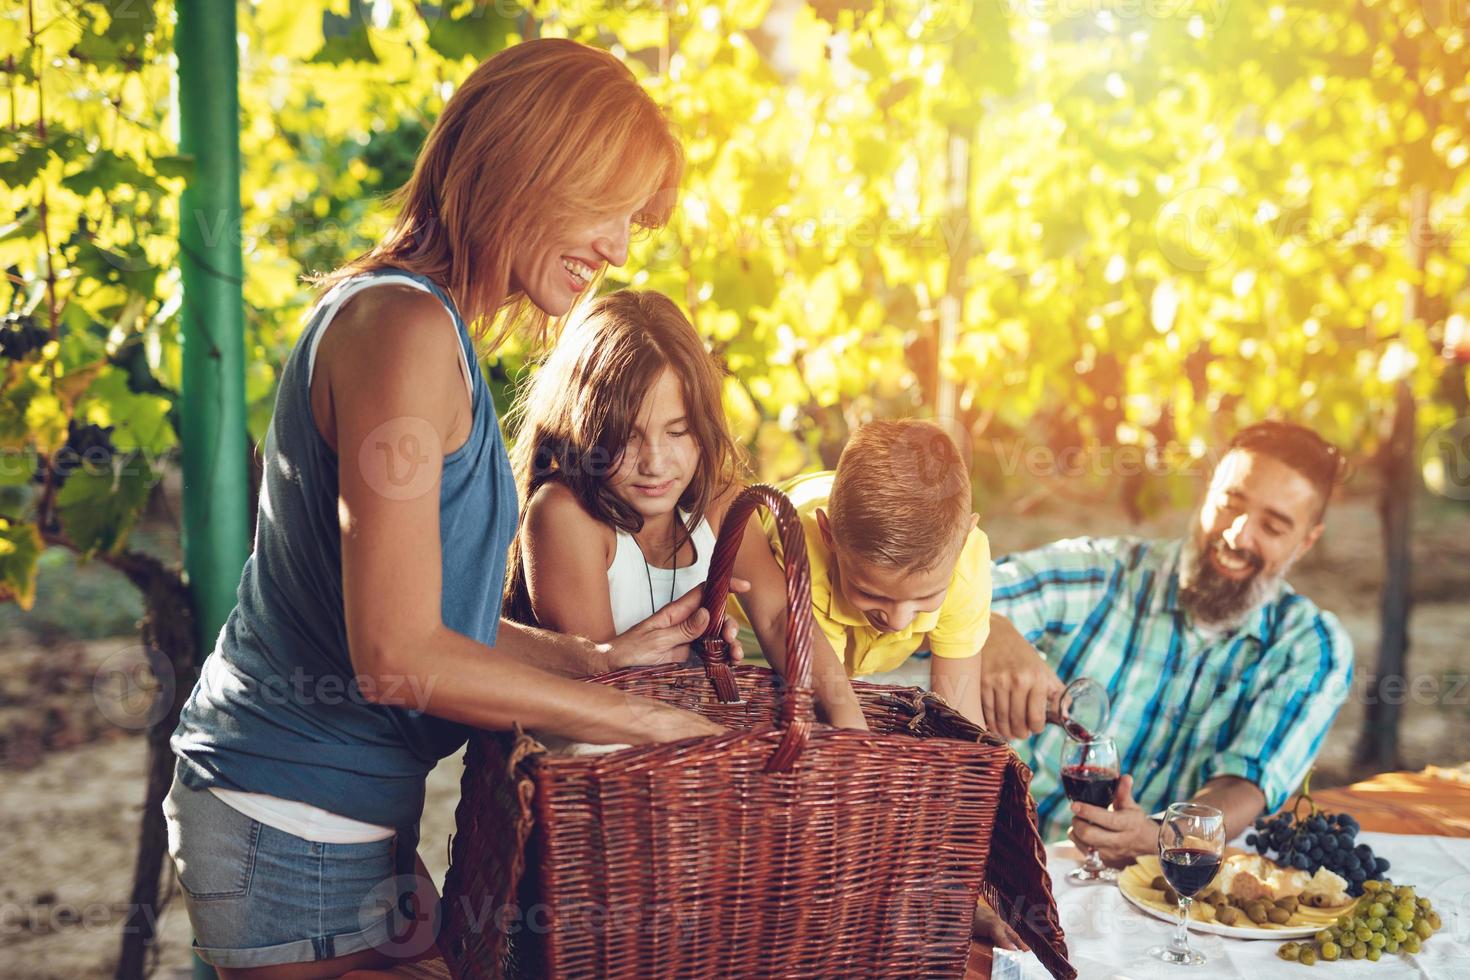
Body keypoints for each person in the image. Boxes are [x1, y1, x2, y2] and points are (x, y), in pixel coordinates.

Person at [165, 39, 744, 979]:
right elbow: (396, 657)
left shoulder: (426, 327)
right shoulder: (403, 330)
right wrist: (655, 726)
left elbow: (431, 617)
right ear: (527, 165)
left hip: (349, 816)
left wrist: (587, 663)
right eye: (606, 207)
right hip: (288, 818)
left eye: (633, 221)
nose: (618, 247)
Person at [980, 421, 1354, 863]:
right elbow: (938, 595)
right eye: (1229, 504)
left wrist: (1164, 834)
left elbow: (1248, 782)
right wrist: (990, 626)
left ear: (1306, 541)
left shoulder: (1310, 647)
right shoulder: (1103, 571)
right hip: (991, 856)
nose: (1237, 535)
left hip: (1135, 890)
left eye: (1272, 527)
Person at [505, 289, 867, 730]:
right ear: (584, 431)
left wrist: (851, 727)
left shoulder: (720, 503)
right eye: (629, 437)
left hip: (684, 752)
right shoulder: (565, 514)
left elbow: (777, 618)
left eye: (677, 432)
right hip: (597, 756)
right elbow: (601, 687)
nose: (655, 463)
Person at [758, 419, 993, 728]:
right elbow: (829, 709)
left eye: (926, 596)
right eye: (870, 593)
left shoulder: (965, 558)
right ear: (828, 536)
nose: (896, 621)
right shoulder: (806, 551)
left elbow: (958, 712)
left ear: (963, 542)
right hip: (752, 646)